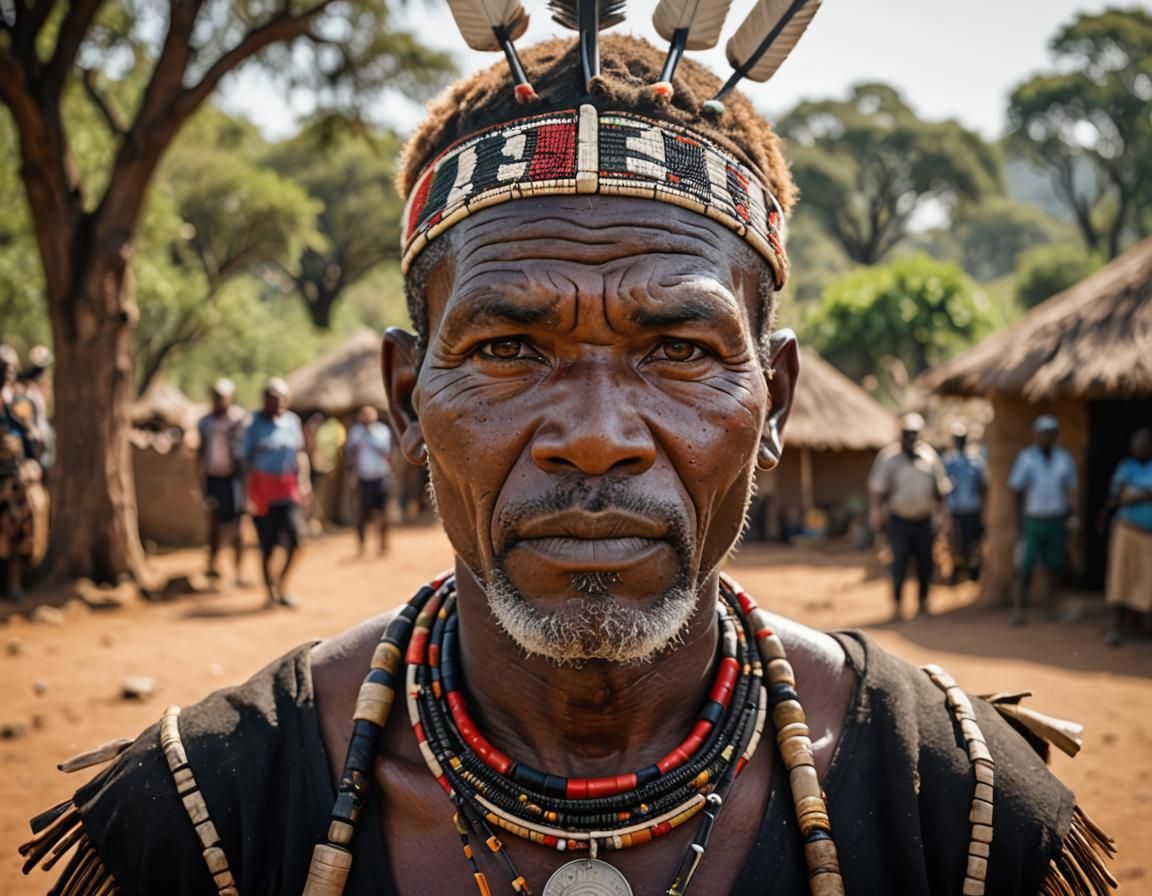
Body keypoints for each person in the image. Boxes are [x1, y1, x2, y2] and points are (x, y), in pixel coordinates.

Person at [21, 34, 1115, 896]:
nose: (595, 435)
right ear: (407, 399)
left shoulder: (956, 807)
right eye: (508, 349)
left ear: (775, 402)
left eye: (679, 350)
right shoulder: (206, 811)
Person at [869, 413, 952, 618]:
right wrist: (876, 512)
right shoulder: (889, 459)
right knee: (899, 563)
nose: (911, 437)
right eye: (907, 433)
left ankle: (923, 601)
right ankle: (897, 605)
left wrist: (942, 515)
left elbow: (941, 490)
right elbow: (878, 490)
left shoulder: (930, 456)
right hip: (899, 521)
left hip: (924, 521)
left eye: (915, 433)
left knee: (925, 563)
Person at [242, 377, 309, 608]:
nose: (277, 402)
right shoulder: (253, 424)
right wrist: (246, 496)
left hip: (287, 489)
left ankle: (281, 583)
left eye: (282, 398)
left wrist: (304, 482)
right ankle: (270, 593)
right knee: (267, 545)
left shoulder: (292, 421)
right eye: (273, 398)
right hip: (262, 492)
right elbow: (245, 461)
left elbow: (299, 454)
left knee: (297, 540)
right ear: (265, 400)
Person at [1008, 415, 1078, 627]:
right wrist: (1019, 522)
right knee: (1025, 566)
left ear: (1055, 435)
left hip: (1056, 520)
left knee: (1054, 565)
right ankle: (1019, 609)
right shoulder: (1026, 458)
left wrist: (1072, 516)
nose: (1045, 437)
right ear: (1036, 435)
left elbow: (1071, 490)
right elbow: (1016, 490)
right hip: (1034, 521)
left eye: (1049, 433)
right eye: (1041, 434)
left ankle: (1050, 607)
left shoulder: (1064, 459)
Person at [1100, 428, 1152, 646]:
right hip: (1127, 530)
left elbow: (1129, 495)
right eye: (1136, 442)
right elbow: (1119, 497)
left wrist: (1135, 494)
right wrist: (1146, 494)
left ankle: (1142, 630)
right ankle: (1116, 628)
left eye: (1144, 443)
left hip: (1149, 536)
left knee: (1147, 581)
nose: (1139, 447)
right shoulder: (1125, 467)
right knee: (1120, 579)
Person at [0, 345, 44, 601]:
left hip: (12, 479)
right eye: (3, 368)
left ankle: (14, 584)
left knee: (18, 527)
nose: (7, 373)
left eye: (9, 369)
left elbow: (32, 438)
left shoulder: (18, 402)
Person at [195, 378, 248, 586]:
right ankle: (212, 567)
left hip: (233, 480)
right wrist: (199, 481)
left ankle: (239, 572)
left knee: (238, 527)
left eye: (223, 397)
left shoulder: (239, 420)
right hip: (213, 479)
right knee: (213, 524)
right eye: (216, 396)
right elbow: (200, 453)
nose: (219, 400)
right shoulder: (205, 423)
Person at [345, 405, 394, 555]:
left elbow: (386, 450)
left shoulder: (382, 431)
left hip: (380, 477)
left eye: (369, 415)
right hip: (363, 478)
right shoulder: (355, 432)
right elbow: (350, 453)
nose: (367, 418)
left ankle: (383, 544)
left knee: (384, 513)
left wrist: (368, 436)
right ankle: (361, 545)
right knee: (361, 514)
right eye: (364, 415)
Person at [942, 422, 986, 584]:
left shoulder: (976, 461)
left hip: (973, 510)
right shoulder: (948, 461)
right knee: (956, 543)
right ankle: (955, 572)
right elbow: (943, 486)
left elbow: (982, 487)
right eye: (957, 438)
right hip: (955, 511)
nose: (960, 441)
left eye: (962, 438)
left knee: (973, 543)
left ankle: (974, 573)